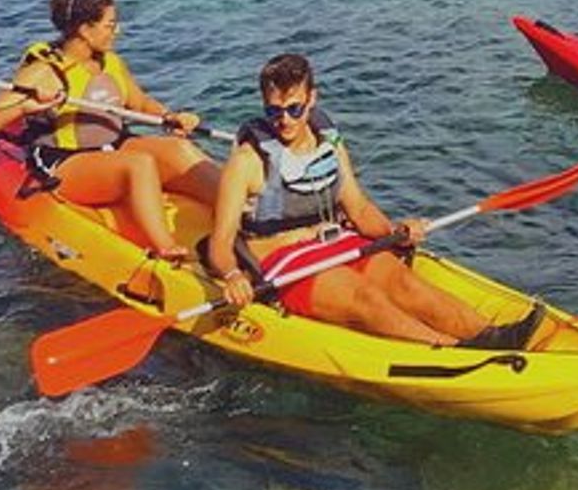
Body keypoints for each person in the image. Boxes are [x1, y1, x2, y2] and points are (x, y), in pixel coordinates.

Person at [203, 53, 540, 348]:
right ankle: (448, 350)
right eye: (274, 111)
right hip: (284, 261)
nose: (285, 120)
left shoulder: (328, 143)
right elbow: (221, 242)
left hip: (334, 241)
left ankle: (490, 336)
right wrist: (232, 275)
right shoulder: (248, 160)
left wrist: (395, 230)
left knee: (403, 283)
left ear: (312, 99)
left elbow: (359, 209)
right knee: (366, 298)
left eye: (294, 109)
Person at [0, 0, 220, 260]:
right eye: (110, 25)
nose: (117, 31)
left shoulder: (111, 62)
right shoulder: (45, 72)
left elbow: (139, 102)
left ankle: (240, 214)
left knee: (178, 149)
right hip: (65, 160)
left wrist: (169, 116)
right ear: (86, 30)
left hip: (114, 143)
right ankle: (167, 249)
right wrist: (25, 106)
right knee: (138, 165)